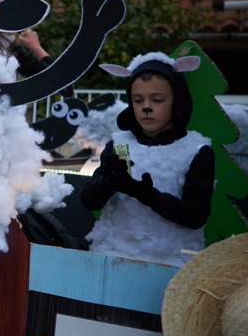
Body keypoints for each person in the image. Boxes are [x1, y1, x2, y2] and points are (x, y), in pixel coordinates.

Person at [81, 52, 214, 267]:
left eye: (158, 99)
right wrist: (108, 182)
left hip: (171, 265)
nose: (146, 107)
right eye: (138, 100)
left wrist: (148, 195)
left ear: (177, 101)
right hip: (110, 259)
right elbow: (89, 200)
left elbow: (196, 215)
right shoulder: (118, 145)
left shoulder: (196, 151)